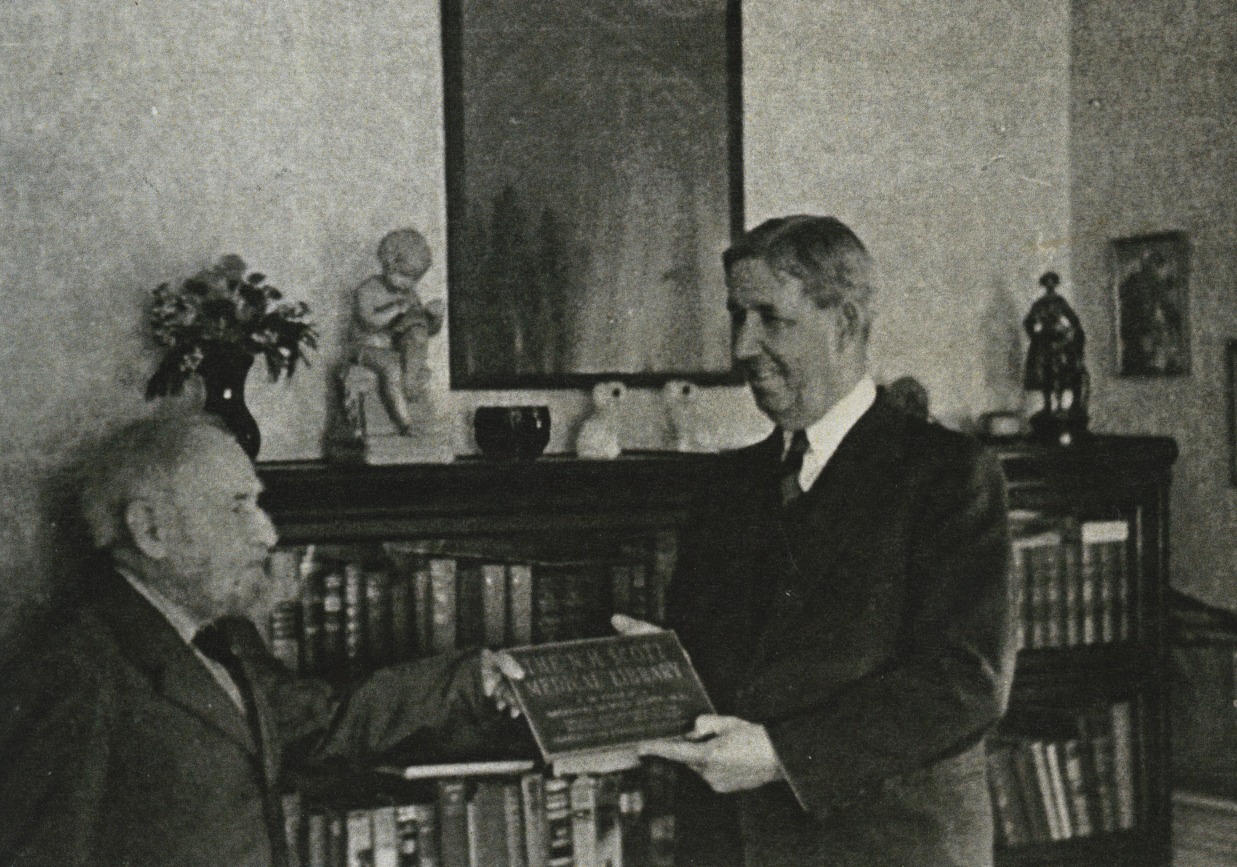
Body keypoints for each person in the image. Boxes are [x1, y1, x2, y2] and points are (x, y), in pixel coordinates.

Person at [618, 215, 1014, 866]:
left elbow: (966, 681)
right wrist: (657, 667)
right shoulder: (725, 486)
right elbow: (724, 669)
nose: (742, 346)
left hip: (889, 848)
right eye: (736, 316)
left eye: (771, 319)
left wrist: (781, 755)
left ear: (845, 323)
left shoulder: (948, 474)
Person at [0, 413, 522, 867]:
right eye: (237, 507)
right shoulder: (73, 673)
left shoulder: (223, 638)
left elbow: (320, 723)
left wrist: (472, 677)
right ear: (150, 530)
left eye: (258, 504)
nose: (268, 534)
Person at [349, 228, 445, 434]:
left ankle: (409, 385)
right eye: (403, 275)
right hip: (366, 348)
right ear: (388, 264)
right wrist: (396, 309)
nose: (408, 283)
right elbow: (369, 322)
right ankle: (405, 423)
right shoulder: (368, 289)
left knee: (417, 334)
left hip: (393, 347)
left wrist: (435, 317)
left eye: (414, 278)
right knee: (392, 366)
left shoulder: (409, 293)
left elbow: (425, 328)